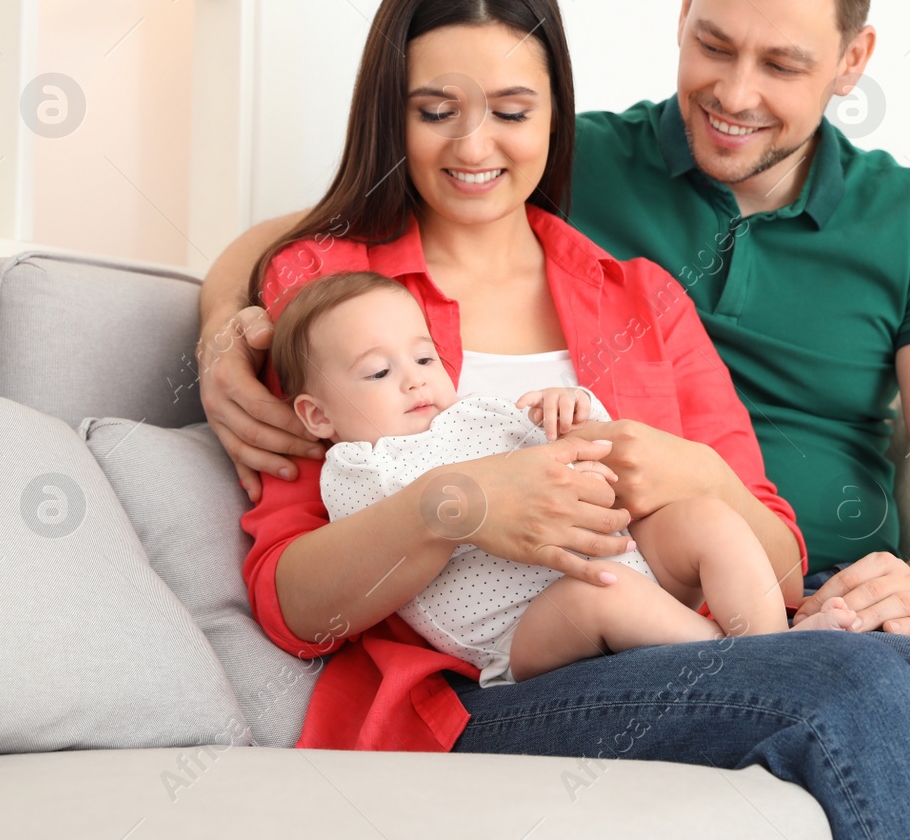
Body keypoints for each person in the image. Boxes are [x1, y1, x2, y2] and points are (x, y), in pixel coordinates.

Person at [206, 0, 910, 839]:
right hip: (484, 688)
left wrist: (692, 478)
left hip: (681, 638)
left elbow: (774, 556)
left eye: (514, 110)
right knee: (849, 684)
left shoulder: (640, 297)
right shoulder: (331, 298)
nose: (474, 145)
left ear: (555, 115)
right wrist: (458, 503)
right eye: (435, 109)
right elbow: (293, 605)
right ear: (391, 113)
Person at [269, 269, 855, 688]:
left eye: (425, 359)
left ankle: (775, 643)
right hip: (524, 630)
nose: (415, 381)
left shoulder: (476, 414)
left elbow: (577, 459)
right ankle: (753, 669)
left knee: (705, 518)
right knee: (608, 593)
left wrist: (571, 411)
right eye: (378, 371)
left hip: (629, 563)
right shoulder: (360, 468)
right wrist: (461, 506)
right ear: (319, 416)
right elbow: (377, 555)